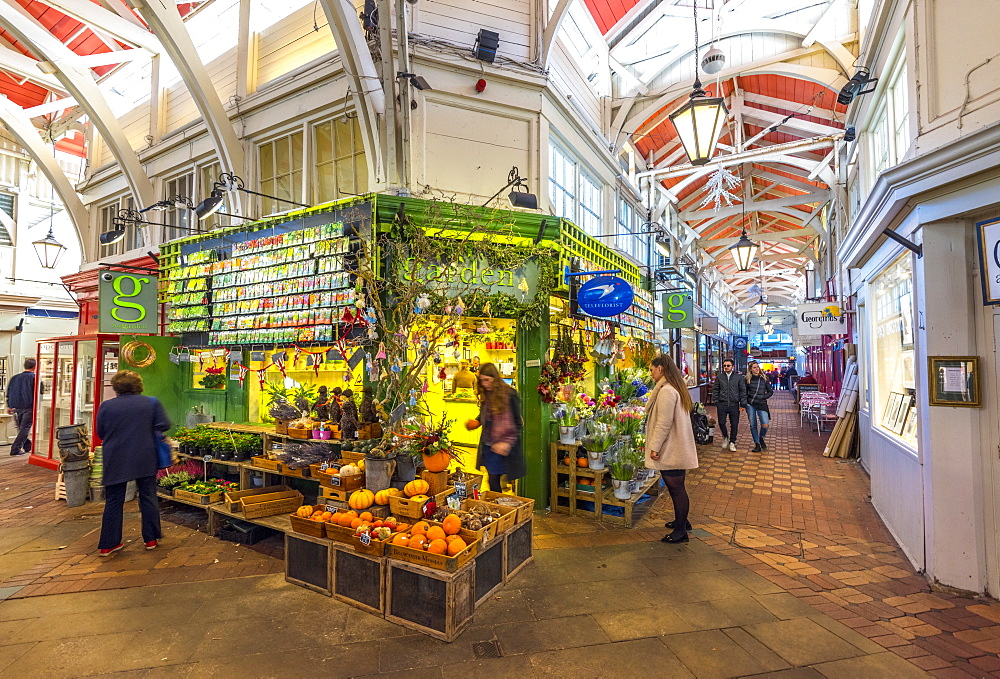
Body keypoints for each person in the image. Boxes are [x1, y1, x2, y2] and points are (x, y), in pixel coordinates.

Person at [96, 370, 170, 557]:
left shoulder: (106, 406)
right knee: (148, 497)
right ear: (138, 385)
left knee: (113, 500)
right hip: (144, 455)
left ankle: (108, 544)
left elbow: (100, 432)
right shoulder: (150, 403)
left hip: (115, 457)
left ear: (115, 387)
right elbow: (164, 424)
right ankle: (151, 539)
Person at [645, 354, 699, 544]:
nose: (651, 374)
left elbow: (663, 423)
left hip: (671, 448)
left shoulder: (667, 391)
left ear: (661, 369)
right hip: (676, 446)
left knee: (676, 488)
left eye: (652, 370)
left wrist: (654, 447)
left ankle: (681, 531)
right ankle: (681, 521)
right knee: (677, 487)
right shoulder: (675, 387)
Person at [469, 362, 525, 492]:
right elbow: (484, 414)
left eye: (487, 380)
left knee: (494, 479)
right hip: (489, 445)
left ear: (495, 378)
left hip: (504, 444)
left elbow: (518, 422)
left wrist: (507, 443)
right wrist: (476, 422)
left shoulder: (510, 394)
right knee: (492, 479)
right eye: (481, 380)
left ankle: (500, 509)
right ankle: (498, 508)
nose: (484, 383)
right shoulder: (486, 394)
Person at [711, 358, 746, 452]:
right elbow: (715, 390)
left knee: (734, 424)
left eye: (728, 365)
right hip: (722, 404)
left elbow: (743, 391)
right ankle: (725, 437)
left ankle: (732, 442)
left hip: (734, 404)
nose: (726, 367)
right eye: (724, 366)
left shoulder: (738, 378)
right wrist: (716, 401)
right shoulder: (719, 377)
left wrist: (743, 403)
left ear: (732, 367)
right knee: (721, 422)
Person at [6, 358, 36, 456]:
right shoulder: (34, 378)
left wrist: (9, 405)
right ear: (35, 367)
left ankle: (27, 445)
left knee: (22, 428)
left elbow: (9, 392)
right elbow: (38, 394)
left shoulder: (14, 378)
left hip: (16, 407)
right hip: (29, 407)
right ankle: (15, 449)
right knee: (25, 428)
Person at [744, 361, 774, 452]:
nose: (757, 369)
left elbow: (770, 391)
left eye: (757, 367)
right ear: (750, 369)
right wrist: (744, 403)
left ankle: (761, 438)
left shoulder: (764, 378)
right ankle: (757, 444)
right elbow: (744, 392)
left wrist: (763, 397)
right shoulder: (747, 379)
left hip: (762, 404)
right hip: (750, 404)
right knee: (753, 425)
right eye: (754, 367)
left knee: (765, 425)